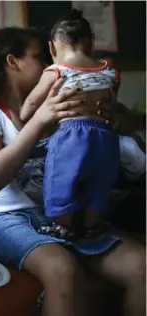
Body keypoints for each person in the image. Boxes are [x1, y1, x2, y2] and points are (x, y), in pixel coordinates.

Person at [0, 26, 145, 316]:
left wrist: (110, 118)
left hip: (60, 214)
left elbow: (111, 140)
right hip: (1, 218)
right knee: (62, 268)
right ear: (13, 62)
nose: (50, 66)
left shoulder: (63, 103)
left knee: (141, 266)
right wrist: (39, 121)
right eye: (40, 57)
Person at [20, 9, 120, 238]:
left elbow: (28, 110)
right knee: (99, 185)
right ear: (91, 42)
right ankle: (91, 226)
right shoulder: (110, 70)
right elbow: (111, 108)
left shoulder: (56, 71)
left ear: (52, 48)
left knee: (60, 182)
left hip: (72, 137)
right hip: (106, 138)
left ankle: (62, 226)